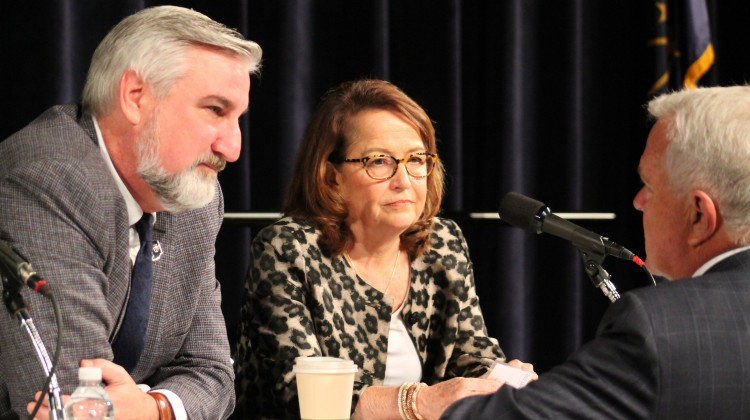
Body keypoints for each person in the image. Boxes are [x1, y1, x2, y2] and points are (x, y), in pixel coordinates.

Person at [0, 6, 261, 420]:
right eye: (215, 110)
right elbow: (70, 400)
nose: (233, 148)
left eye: (237, 118)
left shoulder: (195, 199)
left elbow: (214, 375)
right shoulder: (48, 181)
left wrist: (156, 409)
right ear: (136, 97)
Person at [439, 85, 750, 419]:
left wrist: (414, 402)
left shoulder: (661, 328)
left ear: (699, 215)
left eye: (650, 185)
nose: (638, 201)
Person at [233, 79, 535, 419]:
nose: (403, 179)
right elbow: (303, 397)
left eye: (416, 159)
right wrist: (419, 402)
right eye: (379, 161)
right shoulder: (290, 250)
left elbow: (470, 355)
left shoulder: (443, 244)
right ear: (332, 176)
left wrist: (501, 382)